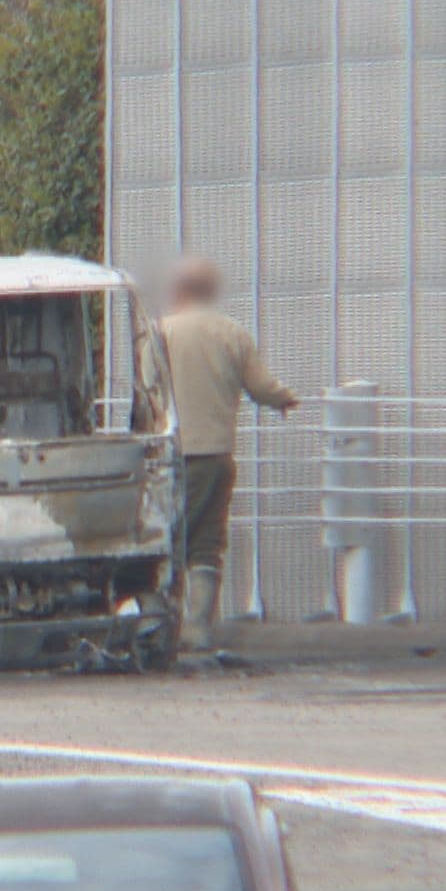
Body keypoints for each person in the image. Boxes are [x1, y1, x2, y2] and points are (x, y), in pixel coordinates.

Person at [158, 256, 298, 651]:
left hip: (170, 455)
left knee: (166, 539)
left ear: (179, 291)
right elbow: (261, 386)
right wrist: (285, 399)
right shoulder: (231, 333)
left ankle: (162, 623)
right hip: (217, 454)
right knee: (206, 542)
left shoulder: (160, 333)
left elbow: (147, 390)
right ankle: (198, 627)